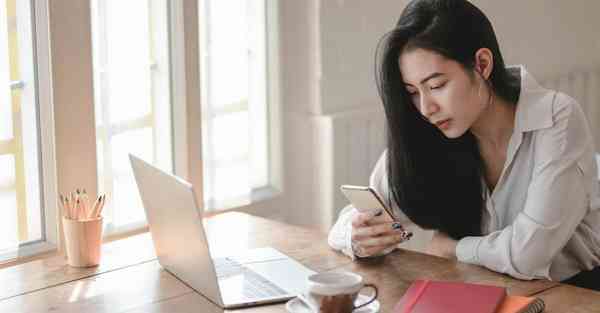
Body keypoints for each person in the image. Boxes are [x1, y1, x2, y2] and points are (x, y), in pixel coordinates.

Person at [328, 0, 600, 291]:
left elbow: (528, 255)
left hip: (576, 291)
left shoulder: (555, 117)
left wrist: (453, 248)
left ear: (482, 64)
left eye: (436, 86)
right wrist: (357, 236)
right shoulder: (431, 130)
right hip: (482, 289)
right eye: (413, 92)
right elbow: (350, 222)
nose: (425, 108)